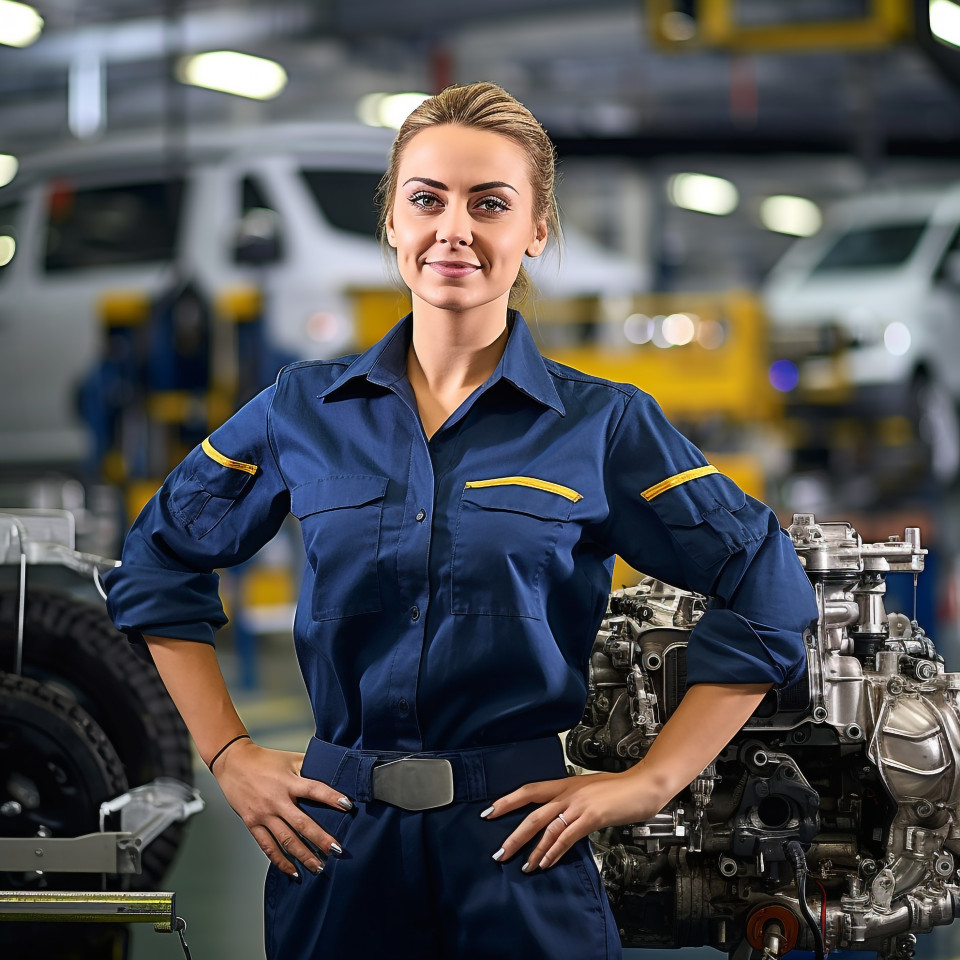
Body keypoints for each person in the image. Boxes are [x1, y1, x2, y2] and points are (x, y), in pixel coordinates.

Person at [104, 81, 817, 959]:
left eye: (491, 204)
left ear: (536, 232)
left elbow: (769, 585)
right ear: (392, 225)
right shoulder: (302, 409)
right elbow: (157, 562)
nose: (455, 230)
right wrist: (229, 756)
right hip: (336, 841)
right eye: (427, 200)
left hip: (519, 843)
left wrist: (652, 780)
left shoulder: (603, 425)